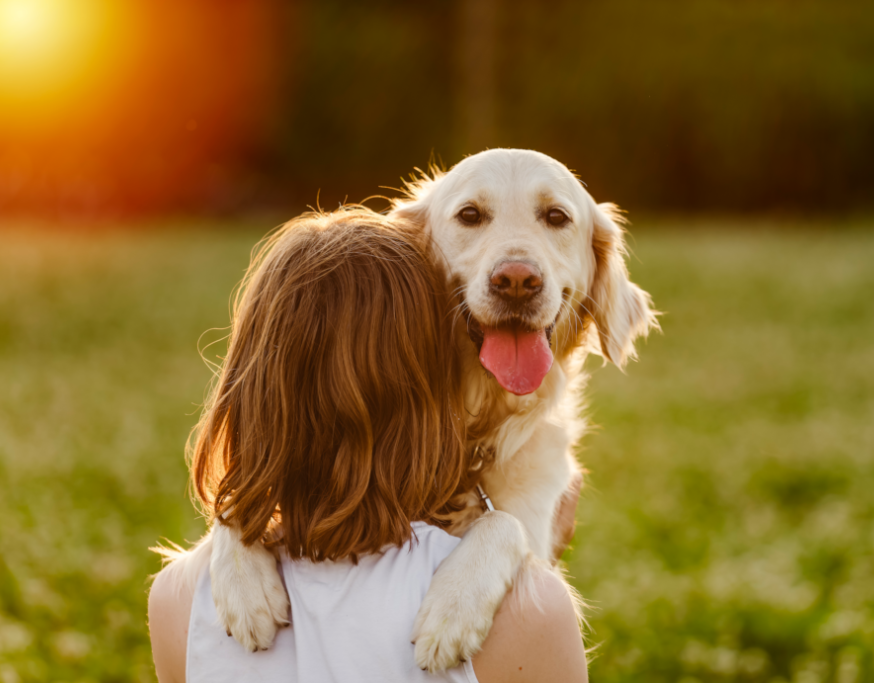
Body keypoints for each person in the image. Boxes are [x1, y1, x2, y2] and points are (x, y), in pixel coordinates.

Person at [148, 209, 587, 683]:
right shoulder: (531, 613)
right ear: (430, 388)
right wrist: (532, 568)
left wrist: (236, 521)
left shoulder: (177, 600)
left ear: (248, 387)